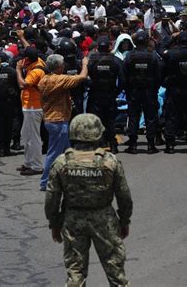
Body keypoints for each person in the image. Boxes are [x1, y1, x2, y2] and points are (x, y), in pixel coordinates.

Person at [45, 113, 133, 287]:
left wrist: (54, 224)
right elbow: (124, 195)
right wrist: (124, 220)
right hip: (105, 221)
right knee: (115, 272)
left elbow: (51, 198)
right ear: (98, 134)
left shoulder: (62, 162)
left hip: (73, 221)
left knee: (75, 272)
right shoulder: (110, 161)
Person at [38, 54, 89, 191]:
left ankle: (73, 180)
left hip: (52, 119)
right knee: (53, 153)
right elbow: (82, 77)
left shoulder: (43, 80)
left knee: (68, 152)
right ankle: (45, 181)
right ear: (59, 67)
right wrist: (85, 63)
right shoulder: (59, 80)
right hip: (58, 120)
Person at [123, 32, 161, 154]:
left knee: (134, 116)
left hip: (134, 91)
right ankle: (151, 145)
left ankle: (133, 145)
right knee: (150, 117)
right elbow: (159, 75)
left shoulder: (129, 56)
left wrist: (128, 89)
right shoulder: (153, 55)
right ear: (146, 41)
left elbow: (124, 75)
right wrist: (155, 88)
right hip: (149, 91)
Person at [87, 36, 124, 154]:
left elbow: (84, 76)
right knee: (110, 121)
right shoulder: (115, 60)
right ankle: (113, 145)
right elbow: (122, 79)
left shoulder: (91, 59)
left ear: (97, 47)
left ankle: (96, 146)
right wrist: (116, 92)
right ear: (109, 47)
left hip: (95, 95)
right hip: (109, 94)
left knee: (95, 121)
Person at [15, 47, 46, 176]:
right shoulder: (38, 61)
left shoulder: (36, 71)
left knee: (33, 137)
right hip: (29, 106)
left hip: (34, 107)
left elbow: (23, 84)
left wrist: (18, 70)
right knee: (26, 135)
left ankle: (37, 166)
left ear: (27, 59)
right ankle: (28, 162)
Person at [162, 31, 187, 153]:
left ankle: (170, 144)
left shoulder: (171, 53)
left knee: (171, 116)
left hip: (174, 89)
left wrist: (170, 39)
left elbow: (160, 49)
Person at [0, 52, 19, 157]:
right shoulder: (12, 71)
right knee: (8, 125)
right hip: (9, 102)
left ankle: (1, 148)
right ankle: (7, 148)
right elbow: (16, 85)